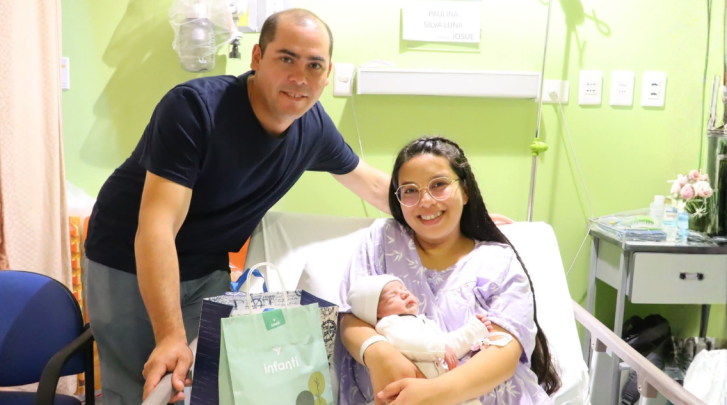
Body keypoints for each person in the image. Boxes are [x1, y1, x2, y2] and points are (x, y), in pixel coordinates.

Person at [83, 8, 512, 405]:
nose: (300, 78)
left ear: (327, 75)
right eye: (286, 59)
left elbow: (371, 184)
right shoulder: (195, 109)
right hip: (130, 256)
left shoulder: (312, 126)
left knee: (203, 387)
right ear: (257, 56)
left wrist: (452, 213)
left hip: (205, 263)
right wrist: (169, 334)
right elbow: (157, 225)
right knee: (144, 384)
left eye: (314, 65)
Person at [337, 136, 561, 405]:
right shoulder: (381, 240)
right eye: (409, 190)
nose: (426, 201)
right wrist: (378, 352)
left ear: (465, 190)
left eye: (439, 185)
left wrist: (431, 394)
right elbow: (349, 316)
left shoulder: (497, 261)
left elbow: (504, 352)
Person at [347, 274, 497, 405]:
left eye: (404, 290)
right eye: (393, 296)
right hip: (412, 391)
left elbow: (450, 345)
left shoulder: (424, 322)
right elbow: (403, 343)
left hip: (439, 388)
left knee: (470, 400)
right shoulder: (387, 324)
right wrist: (438, 348)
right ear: (375, 313)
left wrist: (474, 329)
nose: (404, 294)